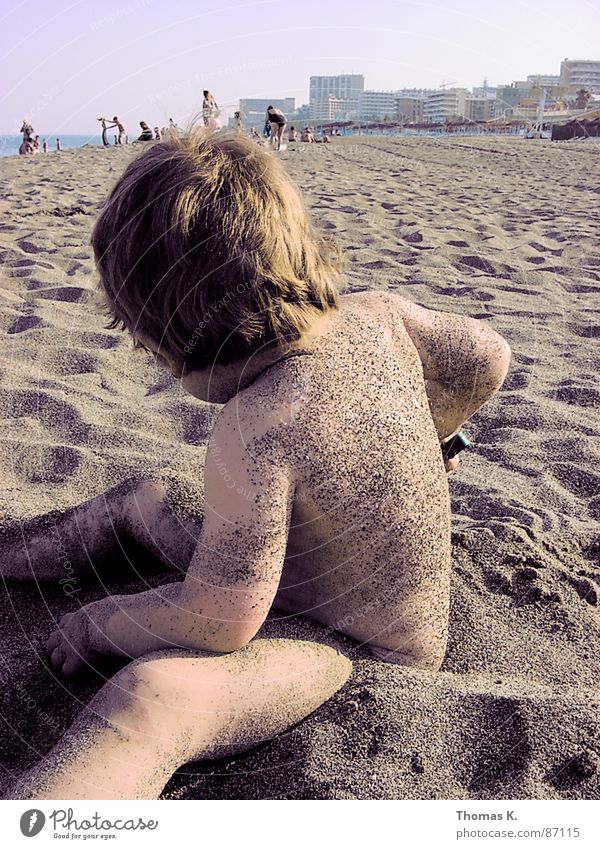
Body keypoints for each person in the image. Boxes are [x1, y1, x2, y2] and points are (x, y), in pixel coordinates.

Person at [2, 131, 511, 800]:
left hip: (359, 642)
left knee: (151, 697)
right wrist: (434, 439)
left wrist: (103, 621)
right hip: (303, 567)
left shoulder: (257, 425)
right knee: (151, 498)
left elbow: (219, 617)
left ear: (170, 334)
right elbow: (489, 356)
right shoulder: (384, 316)